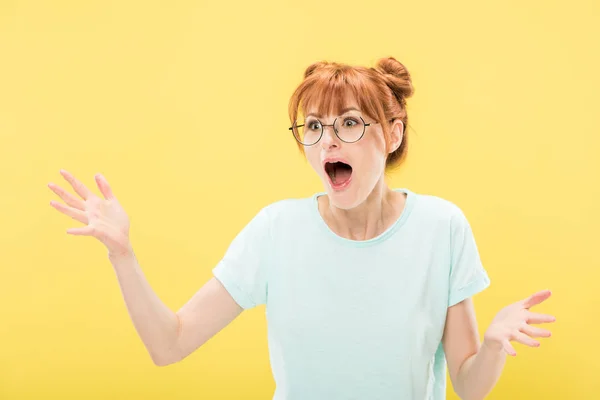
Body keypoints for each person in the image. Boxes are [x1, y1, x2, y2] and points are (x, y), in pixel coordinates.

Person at [48, 57, 555, 400]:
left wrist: (492, 345)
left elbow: (469, 386)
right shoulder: (276, 231)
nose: (328, 143)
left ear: (393, 133)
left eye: (350, 123)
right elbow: (170, 345)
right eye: (313, 127)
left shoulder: (442, 227)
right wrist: (123, 255)